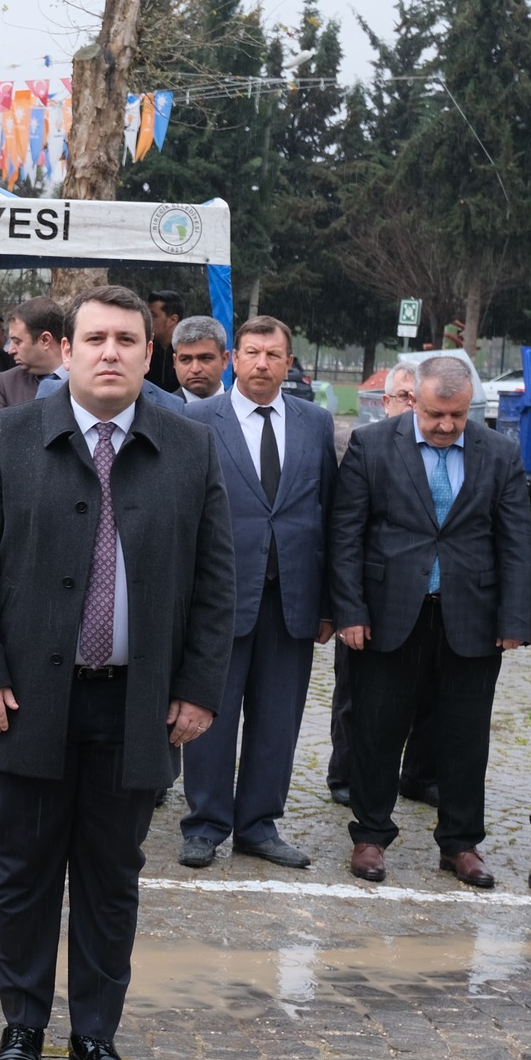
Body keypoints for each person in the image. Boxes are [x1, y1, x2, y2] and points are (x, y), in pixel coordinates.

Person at [0, 284, 232, 1060]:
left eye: (127, 339)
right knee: (26, 870)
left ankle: (96, 1035)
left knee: (113, 878)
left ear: (151, 353)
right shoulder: (6, 437)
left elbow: (217, 581)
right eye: (95, 338)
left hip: (136, 704)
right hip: (26, 702)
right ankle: (22, 1025)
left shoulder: (190, 446)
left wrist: (199, 689)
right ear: (64, 350)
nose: (110, 351)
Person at [328, 356, 531, 890]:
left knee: (466, 735)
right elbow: (346, 533)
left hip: (473, 618)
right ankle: (371, 834)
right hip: (388, 615)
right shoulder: (372, 446)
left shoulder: (501, 453)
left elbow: (516, 542)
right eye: (437, 414)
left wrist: (515, 618)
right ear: (413, 400)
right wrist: (349, 609)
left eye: (458, 416)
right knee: (376, 727)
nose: (446, 426)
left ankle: (461, 844)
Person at [179, 317, 337, 871]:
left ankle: (259, 825)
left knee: (277, 720)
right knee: (207, 715)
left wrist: (329, 604)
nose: (263, 363)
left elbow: (331, 514)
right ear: (232, 359)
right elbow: (181, 514)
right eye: (252, 353)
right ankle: (204, 825)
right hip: (219, 597)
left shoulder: (316, 424)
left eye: (274, 354)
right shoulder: (197, 419)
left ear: (289, 362)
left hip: (292, 599)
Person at [326, 362, 434, 807]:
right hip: (370, 597)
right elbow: (344, 528)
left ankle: (420, 774)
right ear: (385, 403)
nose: (410, 406)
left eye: (417, 398)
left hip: (426, 596)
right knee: (356, 695)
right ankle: (346, 774)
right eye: (403, 398)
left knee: (428, 695)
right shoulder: (363, 446)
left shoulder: (441, 449)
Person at [0, 296, 64, 408]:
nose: (10, 350)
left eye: (18, 342)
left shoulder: (87, 378)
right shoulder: (8, 384)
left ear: (45, 340)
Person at [170, 315, 229, 402]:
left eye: (205, 358)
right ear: (175, 362)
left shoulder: (245, 411)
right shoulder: (157, 413)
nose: (195, 369)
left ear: (224, 360)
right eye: (185, 359)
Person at [145, 290, 185, 394]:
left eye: (153, 316)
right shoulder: (144, 350)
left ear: (173, 320)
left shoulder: (187, 351)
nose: (147, 320)